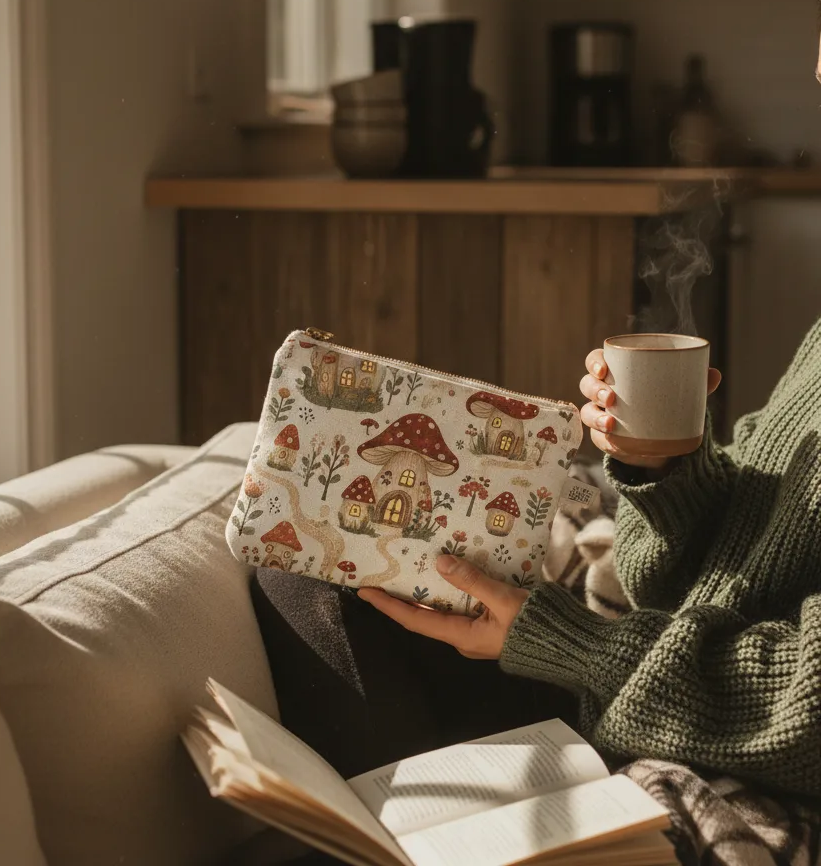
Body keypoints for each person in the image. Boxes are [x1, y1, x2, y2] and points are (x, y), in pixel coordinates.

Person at [251, 315, 821, 863]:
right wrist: (666, 472)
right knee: (305, 572)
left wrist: (572, 645)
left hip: (706, 734)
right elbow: (704, 561)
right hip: (639, 677)